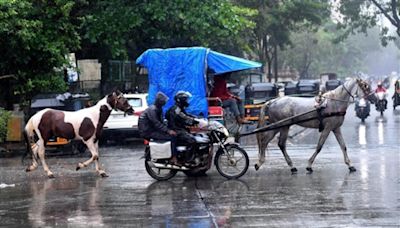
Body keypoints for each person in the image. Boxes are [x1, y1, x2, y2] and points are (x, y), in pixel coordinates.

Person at [166, 91, 199, 165]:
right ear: (181, 100)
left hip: (179, 128)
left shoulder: (179, 108)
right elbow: (184, 117)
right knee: (192, 140)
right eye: (186, 100)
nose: (187, 101)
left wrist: (197, 118)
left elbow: (186, 115)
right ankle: (188, 160)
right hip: (176, 130)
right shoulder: (176, 109)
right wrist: (193, 121)